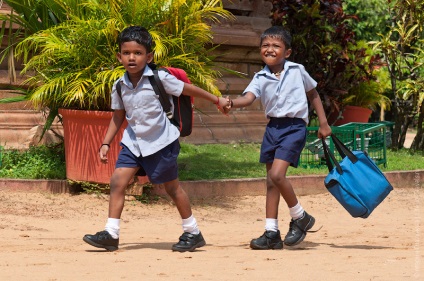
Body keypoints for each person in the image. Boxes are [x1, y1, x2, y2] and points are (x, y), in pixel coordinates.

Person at [83, 26, 229, 252]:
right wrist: (105, 142)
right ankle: (111, 234)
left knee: (171, 188)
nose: (132, 57)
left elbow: (190, 90)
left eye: (138, 53)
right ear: (119, 56)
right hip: (133, 142)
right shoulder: (119, 85)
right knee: (117, 182)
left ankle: (193, 231)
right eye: (126, 53)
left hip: (162, 142)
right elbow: (118, 115)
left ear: (148, 56)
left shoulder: (160, 78)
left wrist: (216, 100)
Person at [224, 26, 332, 249]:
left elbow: (313, 93)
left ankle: (300, 216)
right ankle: (271, 233)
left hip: (294, 127)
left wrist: (323, 122)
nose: (270, 49)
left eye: (276, 46)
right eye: (265, 45)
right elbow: (248, 98)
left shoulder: (297, 70)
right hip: (273, 128)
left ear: (287, 52)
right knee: (271, 182)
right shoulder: (260, 76)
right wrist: (231, 103)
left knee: (277, 174)